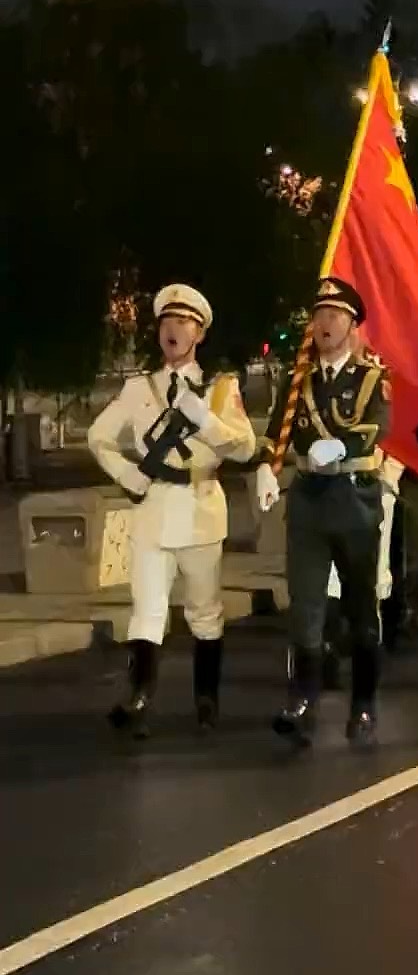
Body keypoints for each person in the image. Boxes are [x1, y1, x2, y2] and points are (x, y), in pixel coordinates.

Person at [88, 283, 256, 738]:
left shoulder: (221, 388)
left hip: (201, 509)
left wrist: (205, 420)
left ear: (199, 334)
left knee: (205, 612)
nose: (173, 330)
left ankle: (206, 700)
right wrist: (128, 475)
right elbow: (98, 438)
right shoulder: (139, 387)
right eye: (167, 322)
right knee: (147, 610)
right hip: (154, 509)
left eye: (184, 323)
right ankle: (139, 697)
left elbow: (245, 447)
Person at [257, 275, 390, 748]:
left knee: (359, 609)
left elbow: (376, 427)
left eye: (336, 315)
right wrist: (265, 468)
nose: (326, 323)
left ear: (353, 325)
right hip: (310, 502)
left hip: (354, 502)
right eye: (320, 315)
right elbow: (277, 433)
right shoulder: (298, 382)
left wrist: (340, 444)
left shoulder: (372, 378)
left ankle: (364, 704)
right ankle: (303, 700)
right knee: (306, 606)